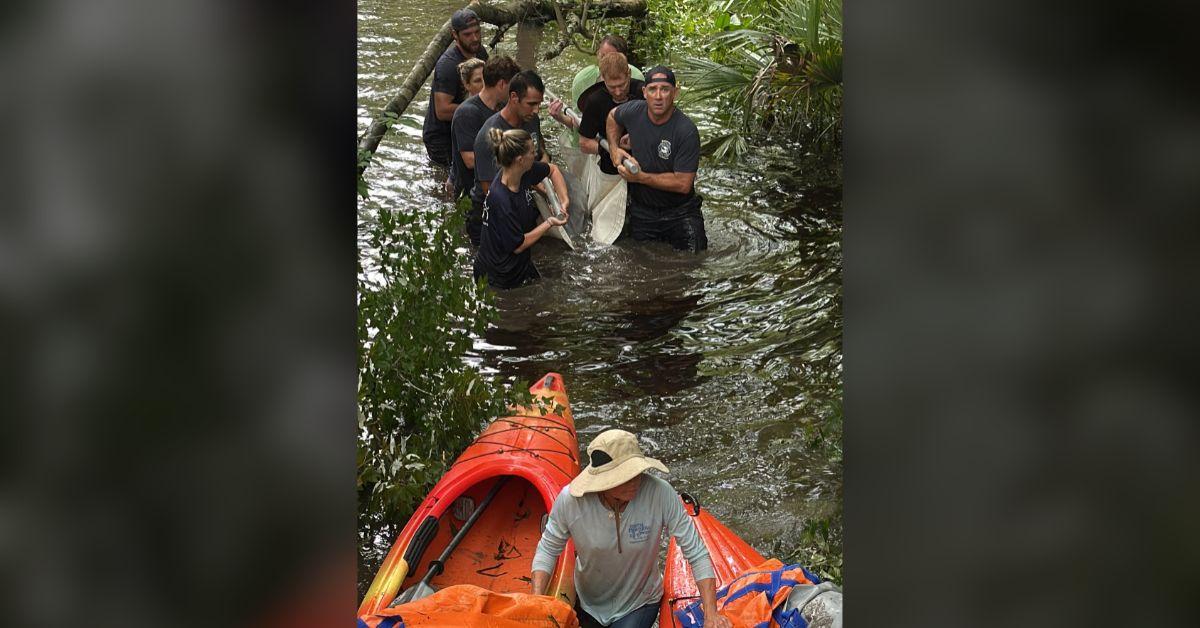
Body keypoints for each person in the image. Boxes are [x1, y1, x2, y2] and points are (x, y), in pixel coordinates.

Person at [530, 429, 731, 628]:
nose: (635, 481)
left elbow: (696, 552)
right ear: (602, 482)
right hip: (588, 603)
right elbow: (548, 549)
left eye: (637, 472)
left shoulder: (660, 493)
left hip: (640, 602)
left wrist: (711, 614)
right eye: (625, 477)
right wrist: (536, 601)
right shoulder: (571, 501)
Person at [606, 66, 707, 252]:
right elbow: (613, 116)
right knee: (637, 261)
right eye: (653, 89)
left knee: (694, 262)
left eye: (665, 89)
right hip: (642, 210)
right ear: (644, 93)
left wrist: (640, 177)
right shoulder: (633, 111)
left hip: (680, 212)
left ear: (674, 93)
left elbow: (683, 183)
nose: (658, 96)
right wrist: (614, 148)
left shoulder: (686, 131)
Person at [473, 128, 569, 290]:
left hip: (519, 264)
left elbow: (552, 170)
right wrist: (549, 223)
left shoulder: (523, 173)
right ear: (520, 160)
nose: (535, 154)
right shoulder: (502, 199)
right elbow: (518, 246)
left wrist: (563, 202)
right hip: (498, 275)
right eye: (532, 152)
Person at [471, 70, 554, 246]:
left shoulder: (532, 120)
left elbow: (540, 155)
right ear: (514, 97)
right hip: (492, 212)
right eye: (531, 104)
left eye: (539, 104)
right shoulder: (490, 135)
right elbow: (488, 189)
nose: (536, 110)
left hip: (521, 202)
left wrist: (548, 192)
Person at [548, 34, 644, 147]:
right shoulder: (582, 80)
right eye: (603, 56)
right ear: (597, 54)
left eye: (612, 57)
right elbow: (578, 122)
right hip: (593, 141)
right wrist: (560, 117)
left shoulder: (638, 80)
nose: (607, 63)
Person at [450, 55, 520, 206]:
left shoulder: (502, 108)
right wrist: (517, 161)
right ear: (502, 84)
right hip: (471, 195)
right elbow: (469, 160)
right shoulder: (467, 113)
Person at [421, 8, 488, 167]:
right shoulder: (448, 65)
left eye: (477, 32)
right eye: (467, 34)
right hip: (441, 138)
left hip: (466, 128)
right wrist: (482, 111)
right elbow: (442, 111)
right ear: (455, 35)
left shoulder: (480, 52)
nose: (475, 38)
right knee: (451, 181)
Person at [577, 52, 644, 175]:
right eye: (612, 87)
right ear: (603, 77)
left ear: (628, 74)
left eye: (622, 85)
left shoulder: (643, 93)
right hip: (610, 170)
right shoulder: (595, 101)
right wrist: (611, 150)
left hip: (643, 166)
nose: (618, 92)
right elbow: (584, 143)